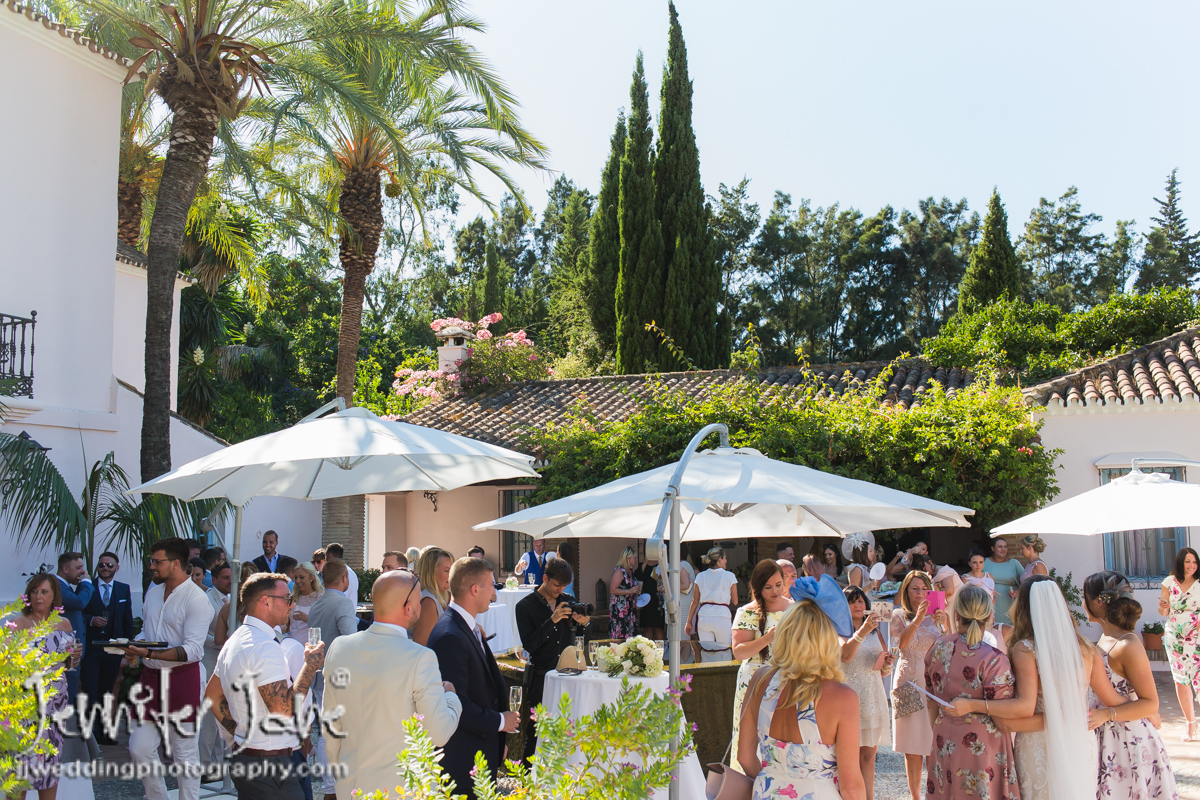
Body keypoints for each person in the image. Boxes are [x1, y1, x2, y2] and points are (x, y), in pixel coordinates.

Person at [946, 575, 1125, 800]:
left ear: (1022, 608)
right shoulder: (1087, 650)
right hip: (1078, 741)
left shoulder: (1026, 649)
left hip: (1038, 744)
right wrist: (1143, 711)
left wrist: (976, 706)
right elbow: (1114, 700)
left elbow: (1025, 706)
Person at [322, 569, 462, 800]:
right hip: (400, 791)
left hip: (351, 786)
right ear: (409, 607)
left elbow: (331, 726)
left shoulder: (339, 648)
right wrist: (451, 697)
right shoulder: (420, 658)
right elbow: (439, 733)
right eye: (418, 601)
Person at [736, 596, 866, 800]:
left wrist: (774, 783)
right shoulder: (842, 697)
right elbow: (851, 787)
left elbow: (744, 757)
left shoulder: (760, 680)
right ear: (827, 640)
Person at [206, 572, 322, 800]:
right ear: (265, 602)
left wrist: (242, 731)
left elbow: (211, 695)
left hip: (250, 758)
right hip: (270, 764)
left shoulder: (237, 639)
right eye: (287, 598)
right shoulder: (264, 646)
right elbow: (284, 711)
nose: (292, 604)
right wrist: (310, 666)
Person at [118, 537, 213, 800]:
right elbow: (149, 632)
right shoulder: (153, 589)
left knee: (184, 753)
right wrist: (132, 646)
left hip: (183, 678)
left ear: (175, 564)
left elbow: (193, 650)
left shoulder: (197, 599)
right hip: (151, 678)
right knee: (139, 747)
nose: (152, 567)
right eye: (152, 561)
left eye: (156, 562)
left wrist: (148, 652)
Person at [428, 558, 520, 798]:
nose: (494, 593)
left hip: (480, 747)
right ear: (474, 589)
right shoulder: (451, 636)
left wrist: (498, 740)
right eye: (491, 585)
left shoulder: (467, 627)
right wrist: (500, 722)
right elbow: (457, 705)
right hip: (463, 756)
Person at [1084, 571, 1177, 797]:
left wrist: (1107, 714)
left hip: (1126, 741)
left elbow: (1150, 704)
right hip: (1103, 738)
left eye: (1084, 596)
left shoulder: (1128, 644)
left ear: (1097, 603)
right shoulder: (1105, 640)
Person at [923, 584, 1019, 800]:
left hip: (944, 737)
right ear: (988, 615)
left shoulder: (937, 648)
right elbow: (1004, 711)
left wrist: (941, 730)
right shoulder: (994, 658)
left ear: (956, 614)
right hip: (983, 745)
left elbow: (931, 701)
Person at [8, 573, 79, 800]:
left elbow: (70, 665)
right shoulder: (17, 624)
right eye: (34, 591)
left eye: (44, 592)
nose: (38, 596)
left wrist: (74, 657)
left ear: (54, 595)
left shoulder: (64, 623)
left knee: (49, 763)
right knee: (19, 766)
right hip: (24, 704)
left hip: (55, 704)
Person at [515, 557, 590, 760]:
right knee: (536, 731)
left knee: (569, 728)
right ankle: (528, 781)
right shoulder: (524, 607)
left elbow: (580, 641)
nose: (560, 590)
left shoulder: (568, 600)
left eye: (563, 586)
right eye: (556, 585)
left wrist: (583, 624)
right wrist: (552, 621)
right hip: (542, 677)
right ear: (545, 578)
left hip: (569, 676)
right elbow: (530, 645)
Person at [890, 569, 948, 800]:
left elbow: (950, 645)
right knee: (911, 746)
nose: (920, 593)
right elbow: (901, 644)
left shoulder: (939, 614)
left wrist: (944, 624)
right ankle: (915, 797)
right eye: (915, 588)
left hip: (934, 684)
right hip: (907, 682)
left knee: (934, 745)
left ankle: (935, 794)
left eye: (925, 589)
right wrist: (915, 620)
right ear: (906, 590)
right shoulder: (898, 615)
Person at [730, 559, 793, 772]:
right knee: (751, 736)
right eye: (768, 587)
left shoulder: (795, 609)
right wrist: (768, 638)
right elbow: (739, 651)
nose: (775, 591)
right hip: (754, 680)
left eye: (778, 585)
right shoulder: (747, 612)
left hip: (788, 678)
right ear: (758, 588)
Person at [839, 586, 894, 800]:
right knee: (848, 756)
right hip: (848, 697)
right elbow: (845, 656)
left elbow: (881, 672)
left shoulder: (876, 632)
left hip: (872, 695)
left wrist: (888, 664)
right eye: (853, 602)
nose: (858, 606)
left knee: (869, 755)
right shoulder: (838, 630)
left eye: (861, 601)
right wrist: (861, 631)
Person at [81, 550, 133, 745]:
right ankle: (90, 735)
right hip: (91, 650)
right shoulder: (86, 587)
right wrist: (91, 619)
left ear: (116, 568)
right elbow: (78, 613)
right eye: (101, 565)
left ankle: (103, 733)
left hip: (113, 650)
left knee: (106, 692)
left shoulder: (123, 589)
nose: (104, 568)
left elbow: (127, 621)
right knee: (90, 692)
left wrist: (126, 650)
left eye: (109, 565)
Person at [1159, 546, 1200, 739]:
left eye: (1194, 561)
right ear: (1181, 563)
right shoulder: (1169, 582)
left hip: (1197, 636)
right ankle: (1191, 724)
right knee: (1181, 680)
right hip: (1174, 636)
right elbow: (1164, 612)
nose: (1192, 565)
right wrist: (1163, 607)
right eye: (1188, 561)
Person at [198, 560, 231, 776]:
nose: (229, 582)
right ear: (216, 579)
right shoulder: (206, 600)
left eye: (231, 578)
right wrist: (224, 640)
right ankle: (203, 766)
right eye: (225, 578)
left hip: (227, 660)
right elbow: (200, 634)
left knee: (225, 711)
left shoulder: (233, 597)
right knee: (209, 714)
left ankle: (220, 764)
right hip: (210, 658)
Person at [686, 547, 738, 662]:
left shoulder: (700, 576)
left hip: (704, 615)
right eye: (725, 558)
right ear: (720, 559)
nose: (726, 561)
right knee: (724, 650)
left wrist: (688, 622)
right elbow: (735, 601)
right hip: (722, 616)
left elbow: (694, 601)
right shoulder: (729, 576)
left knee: (707, 651)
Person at [54, 551, 93, 699]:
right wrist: (86, 582)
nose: (83, 572)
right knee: (66, 695)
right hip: (64, 651)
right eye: (78, 568)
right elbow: (79, 602)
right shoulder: (57, 586)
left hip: (72, 652)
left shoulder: (65, 586)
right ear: (65, 569)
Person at [414, 547, 454, 646]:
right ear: (431, 573)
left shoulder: (445, 596)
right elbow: (422, 646)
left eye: (452, 570)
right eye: (447, 571)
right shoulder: (428, 602)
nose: (451, 575)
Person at [983, 538, 1023, 626]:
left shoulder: (1014, 563)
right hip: (990, 603)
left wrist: (1018, 592)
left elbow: (1026, 582)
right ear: (993, 548)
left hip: (1009, 602)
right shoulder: (985, 562)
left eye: (1005, 547)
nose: (1003, 549)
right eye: (1000, 546)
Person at [608, 547, 641, 641]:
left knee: (631, 636)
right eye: (634, 557)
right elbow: (613, 590)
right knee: (620, 635)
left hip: (630, 609)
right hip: (620, 610)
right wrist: (628, 591)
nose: (636, 559)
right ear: (627, 558)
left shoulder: (631, 572)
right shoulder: (619, 571)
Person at [287, 562, 323, 643]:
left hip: (310, 645)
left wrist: (308, 619)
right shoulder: (293, 598)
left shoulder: (320, 598)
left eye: (302, 577)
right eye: (295, 578)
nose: (298, 581)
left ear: (312, 577)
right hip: (293, 645)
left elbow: (326, 624)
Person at [635, 557, 665, 641]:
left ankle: (660, 650)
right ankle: (649, 649)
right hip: (646, 599)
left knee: (659, 627)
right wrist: (645, 562)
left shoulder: (661, 563)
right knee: (647, 627)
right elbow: (638, 576)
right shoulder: (642, 565)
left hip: (658, 598)